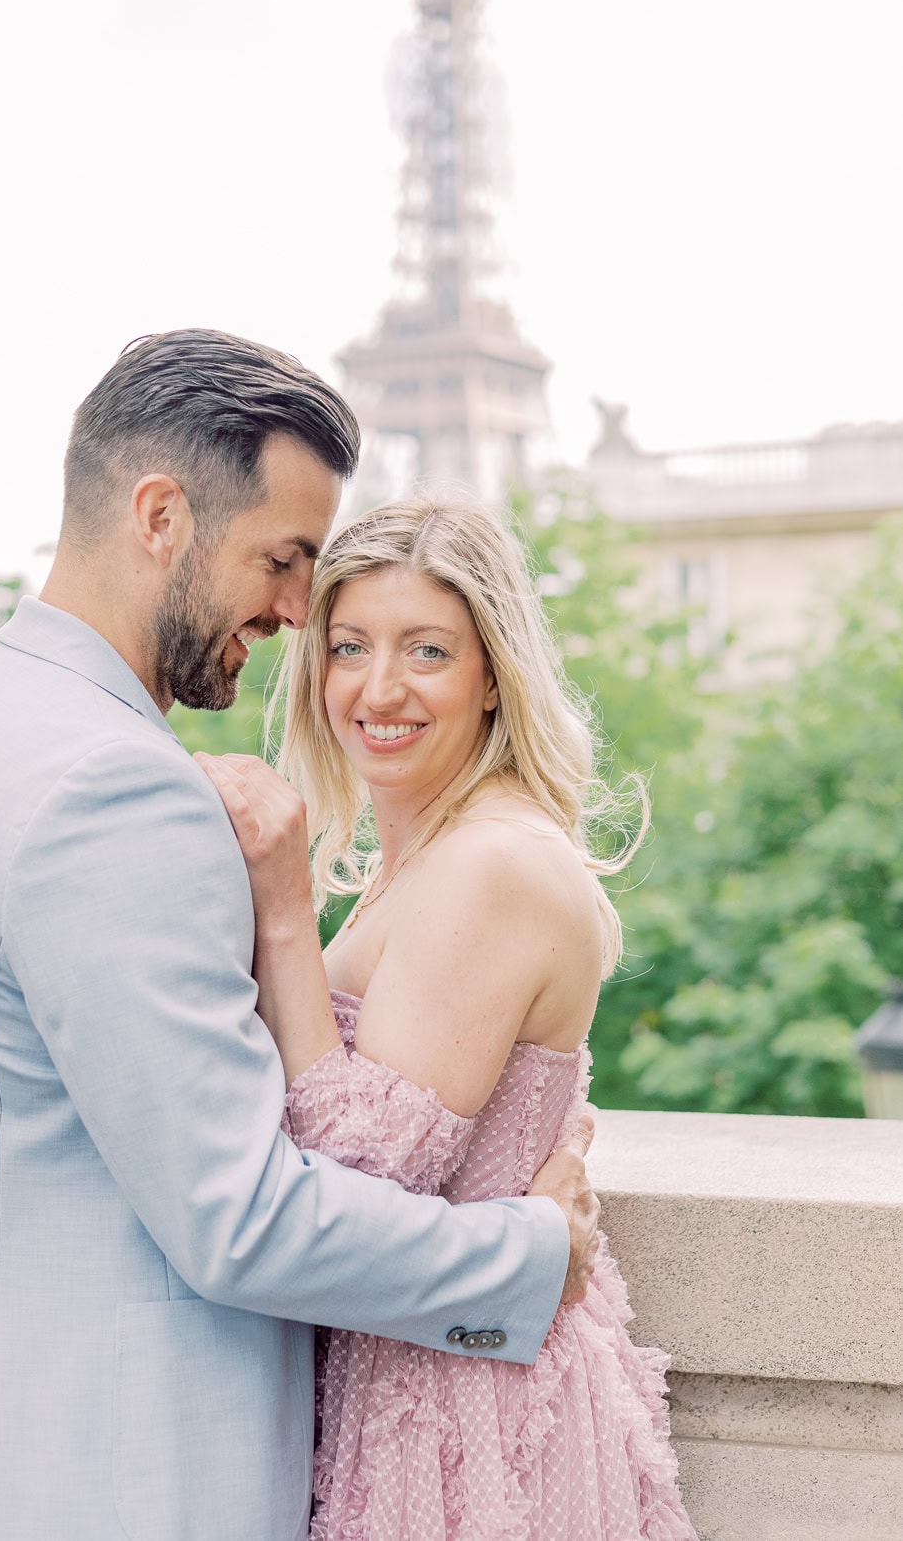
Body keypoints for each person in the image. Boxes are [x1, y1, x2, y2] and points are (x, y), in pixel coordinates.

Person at [0, 331, 599, 1541]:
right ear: (161, 515)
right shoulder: (118, 786)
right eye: (283, 559)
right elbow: (239, 1217)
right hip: (120, 1484)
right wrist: (524, 1261)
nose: (301, 612)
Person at [197, 497, 698, 1540]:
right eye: (349, 647)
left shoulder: (491, 863)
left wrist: (285, 912)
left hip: (467, 1420)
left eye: (427, 650)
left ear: (490, 679)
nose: (379, 689)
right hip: (422, 1372)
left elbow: (354, 1182)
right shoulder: (426, 856)